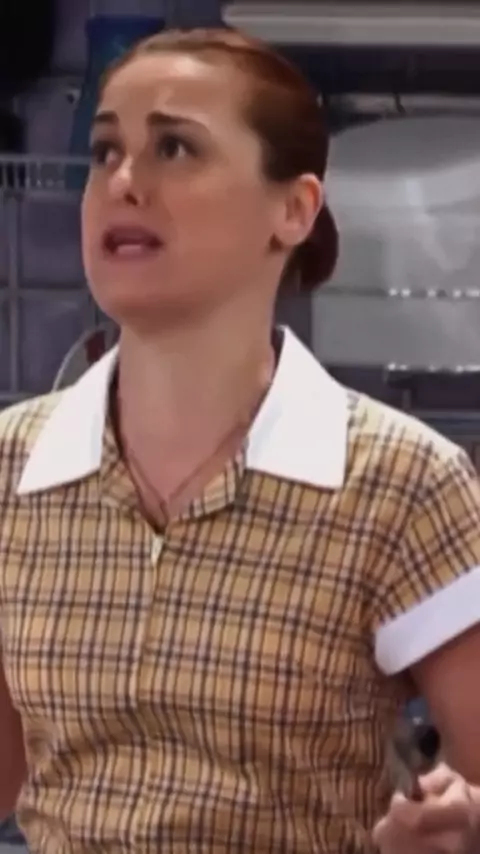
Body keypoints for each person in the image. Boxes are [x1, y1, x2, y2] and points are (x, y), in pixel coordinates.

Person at [0, 27, 479, 854]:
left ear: (293, 210)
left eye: (175, 148)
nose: (123, 181)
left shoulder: (401, 481)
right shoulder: (12, 466)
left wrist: (457, 827)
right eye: (106, 150)